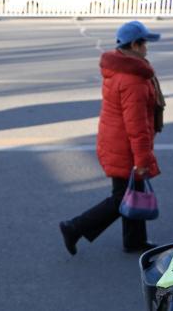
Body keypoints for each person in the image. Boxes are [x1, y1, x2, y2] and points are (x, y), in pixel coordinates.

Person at [59, 20, 165, 255]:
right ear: (135, 45)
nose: (147, 48)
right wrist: (142, 159)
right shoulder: (133, 79)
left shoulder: (121, 69)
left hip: (116, 141)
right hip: (124, 147)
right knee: (122, 198)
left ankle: (135, 240)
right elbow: (136, 126)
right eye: (144, 42)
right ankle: (74, 227)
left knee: (131, 192)